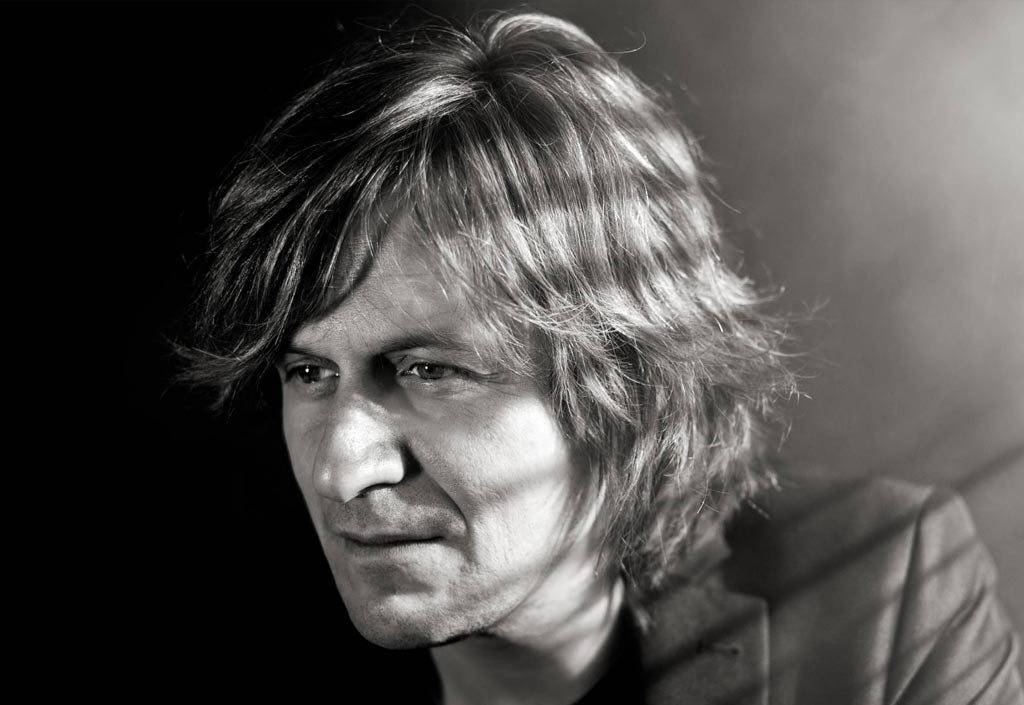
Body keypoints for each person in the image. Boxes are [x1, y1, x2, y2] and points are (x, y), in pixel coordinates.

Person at [180, 11, 1022, 704]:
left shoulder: (884, 592)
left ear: (627, 381)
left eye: (428, 369)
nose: (340, 468)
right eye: (309, 373)